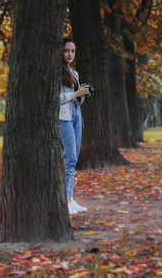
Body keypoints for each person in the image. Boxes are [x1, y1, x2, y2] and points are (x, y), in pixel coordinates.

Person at [59, 38, 90, 215]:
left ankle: (70, 199)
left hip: (77, 117)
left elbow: (77, 100)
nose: (70, 54)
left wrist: (83, 93)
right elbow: (56, 100)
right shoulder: (56, 72)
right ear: (60, 52)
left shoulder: (75, 74)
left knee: (74, 159)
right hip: (64, 119)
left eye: (73, 51)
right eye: (66, 51)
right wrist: (75, 93)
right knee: (69, 158)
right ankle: (65, 199)